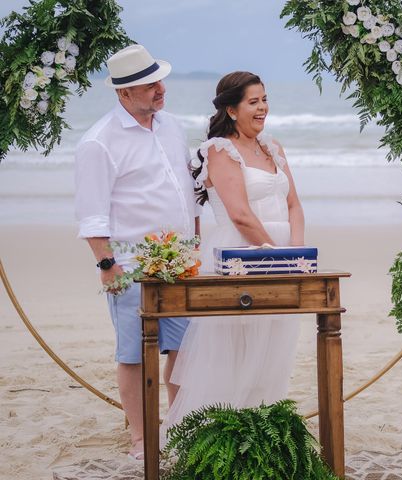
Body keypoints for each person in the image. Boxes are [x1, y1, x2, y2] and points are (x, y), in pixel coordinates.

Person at [161, 71, 304, 438]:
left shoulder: (274, 147)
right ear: (231, 108)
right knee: (236, 349)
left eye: (265, 100)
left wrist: (299, 256)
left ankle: (262, 431)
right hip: (241, 257)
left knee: (272, 347)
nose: (263, 108)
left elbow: (294, 206)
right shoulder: (219, 150)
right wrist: (276, 258)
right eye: (253, 102)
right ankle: (222, 435)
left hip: (286, 257)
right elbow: (239, 213)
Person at [74, 45, 200, 460]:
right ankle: (140, 438)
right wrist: (108, 266)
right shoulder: (98, 142)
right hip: (130, 265)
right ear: (124, 94)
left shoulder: (172, 127)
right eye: (149, 86)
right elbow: (92, 214)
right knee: (133, 354)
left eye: (160, 80)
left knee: (185, 351)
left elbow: (184, 190)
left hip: (182, 261)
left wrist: (193, 241)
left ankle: (181, 428)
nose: (160, 89)